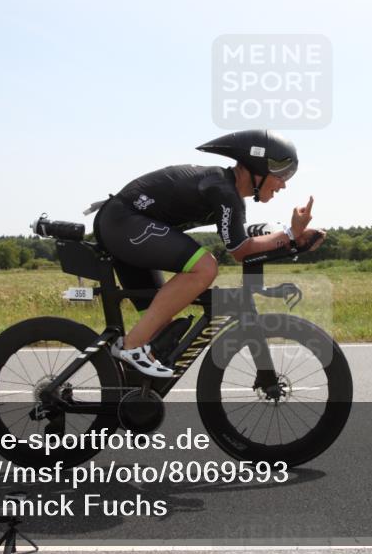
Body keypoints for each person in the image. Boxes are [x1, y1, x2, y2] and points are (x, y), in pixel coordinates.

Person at [91, 130, 326, 377]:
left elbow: (245, 238)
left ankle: (130, 398)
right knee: (205, 267)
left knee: (160, 332)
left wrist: (294, 237)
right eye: (281, 173)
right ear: (257, 166)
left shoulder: (227, 191)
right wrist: (289, 234)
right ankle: (131, 347)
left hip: (126, 227)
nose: (284, 183)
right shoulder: (223, 189)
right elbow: (240, 250)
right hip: (124, 223)